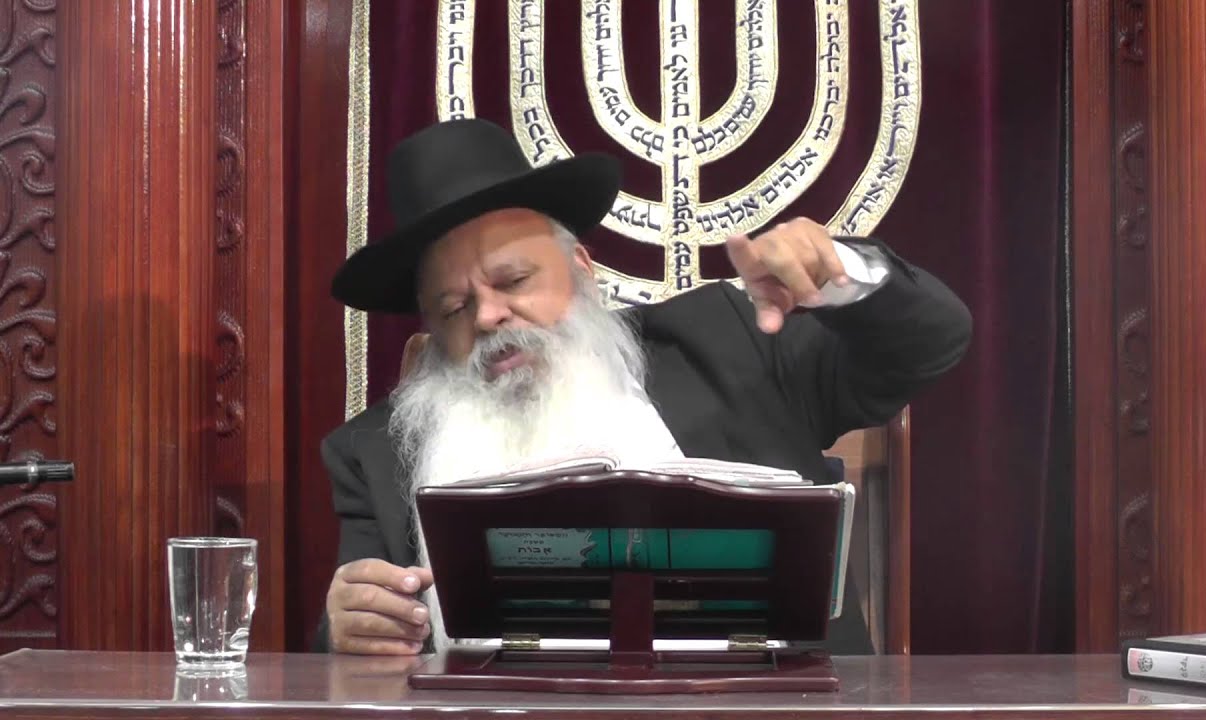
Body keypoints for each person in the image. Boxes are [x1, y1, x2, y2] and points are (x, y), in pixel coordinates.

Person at [318, 118, 972, 656]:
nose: (488, 316)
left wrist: (839, 276)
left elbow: (930, 344)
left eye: (513, 281)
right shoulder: (373, 452)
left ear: (582, 269)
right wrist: (349, 627)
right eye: (454, 308)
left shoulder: (729, 342)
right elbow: (352, 642)